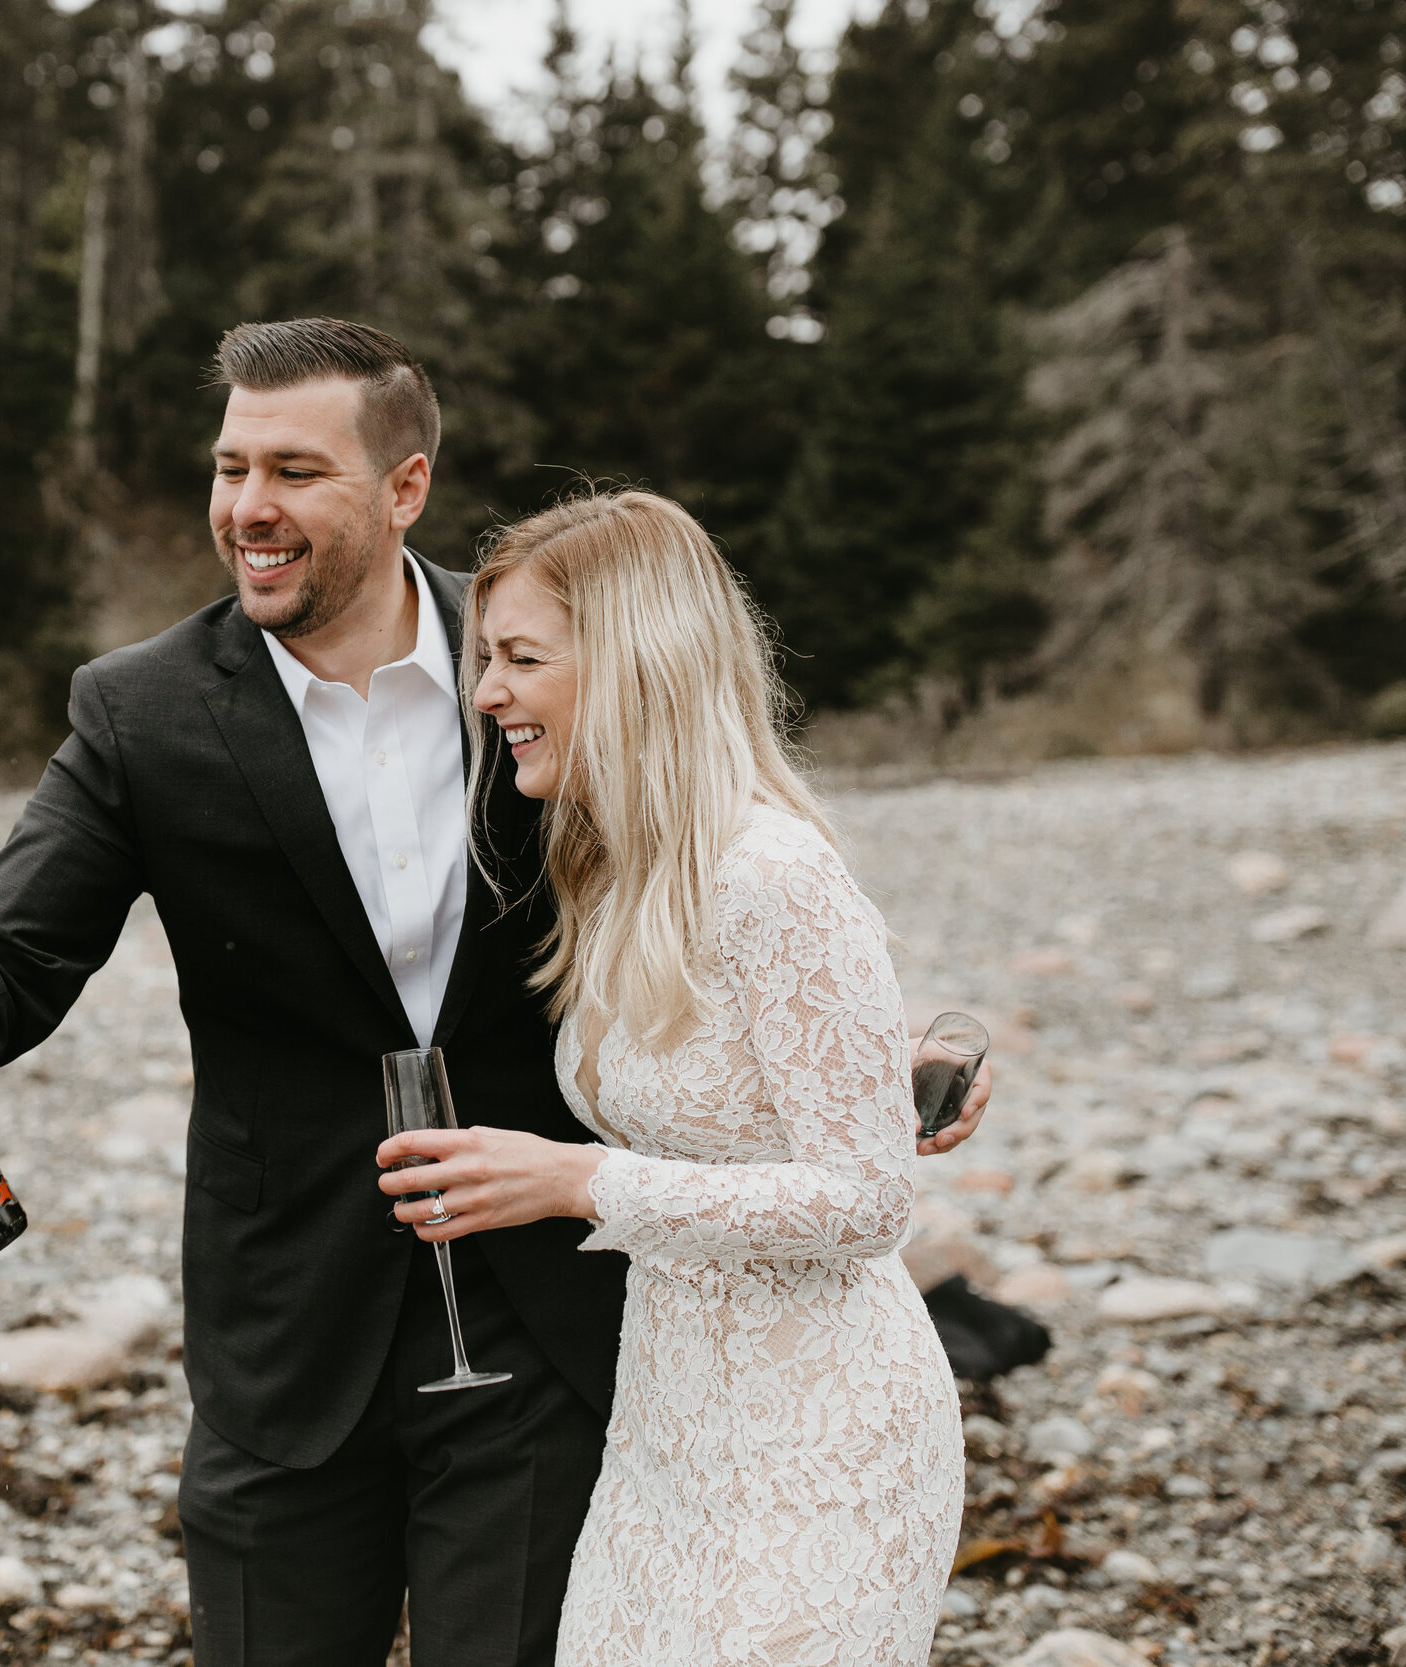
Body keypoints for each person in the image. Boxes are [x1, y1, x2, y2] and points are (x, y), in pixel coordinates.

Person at [0, 319, 988, 1667]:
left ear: (404, 486)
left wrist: (861, 1047)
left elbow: (712, 872)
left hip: (551, 1331)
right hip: (287, 1336)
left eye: (294, 470)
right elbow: (10, 959)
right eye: (229, 468)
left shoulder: (543, 662)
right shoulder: (139, 712)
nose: (248, 508)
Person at [376, 489, 965, 1665]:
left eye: (520, 658)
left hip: (824, 1444)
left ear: (638, 663)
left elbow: (868, 1199)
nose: (486, 693)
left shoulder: (772, 871)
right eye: (485, 658)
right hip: (666, 1439)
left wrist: (585, 1182)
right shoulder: (606, 869)